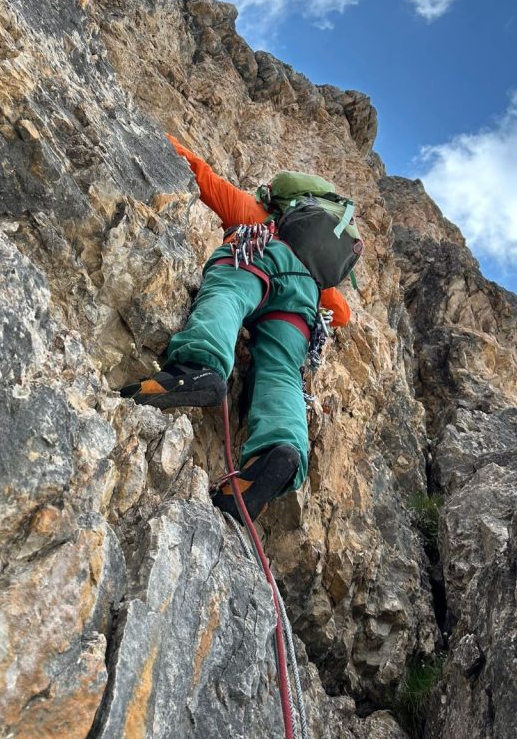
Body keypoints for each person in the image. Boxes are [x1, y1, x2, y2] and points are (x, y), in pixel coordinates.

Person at [120, 134, 351, 521]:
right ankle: (280, 449)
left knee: (229, 289)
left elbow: (203, 179)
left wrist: (171, 143)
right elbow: (340, 314)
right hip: (303, 304)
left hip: (260, 257)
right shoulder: (319, 275)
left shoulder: (257, 215)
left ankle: (197, 368)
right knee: (281, 371)